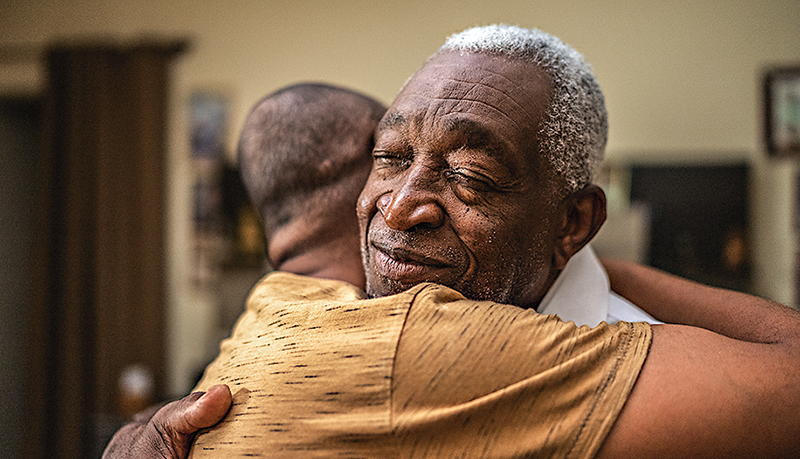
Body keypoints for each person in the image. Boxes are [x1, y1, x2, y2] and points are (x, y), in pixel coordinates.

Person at [111, 25, 800, 458]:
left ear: (572, 222)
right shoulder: (348, 328)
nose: (402, 206)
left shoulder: (651, 369)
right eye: (387, 156)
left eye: (471, 174)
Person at [102, 82, 387, 459]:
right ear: (337, 163)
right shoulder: (401, 336)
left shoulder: (231, 356)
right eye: (392, 156)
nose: (410, 178)